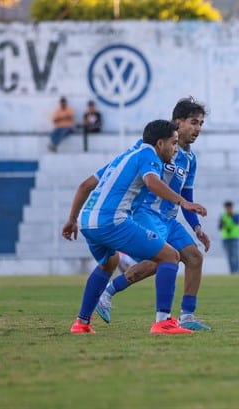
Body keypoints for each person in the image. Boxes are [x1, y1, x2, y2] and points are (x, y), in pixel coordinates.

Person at [62, 119, 207, 335]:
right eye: (173, 144)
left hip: (87, 220)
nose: (176, 150)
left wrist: (72, 219)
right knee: (170, 256)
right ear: (160, 143)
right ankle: (163, 322)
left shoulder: (124, 157)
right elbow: (151, 182)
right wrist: (182, 202)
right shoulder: (149, 156)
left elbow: (85, 185)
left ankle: (81, 323)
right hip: (112, 220)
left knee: (108, 264)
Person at [95, 97, 212, 331]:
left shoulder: (190, 159)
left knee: (194, 257)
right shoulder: (157, 146)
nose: (198, 128)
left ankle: (187, 317)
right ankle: (107, 294)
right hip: (145, 213)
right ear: (178, 122)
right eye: (193, 122)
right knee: (161, 260)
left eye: (200, 123)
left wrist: (197, 228)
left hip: (169, 219)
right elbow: (143, 174)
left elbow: (186, 194)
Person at [219, 201, 239, 274]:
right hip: (226, 238)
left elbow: (237, 222)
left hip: (235, 238)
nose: (228, 209)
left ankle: (237, 271)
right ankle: (232, 272)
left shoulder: (236, 214)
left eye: (229, 208)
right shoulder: (223, 215)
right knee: (229, 256)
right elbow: (220, 226)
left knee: (235, 256)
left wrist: (230, 216)